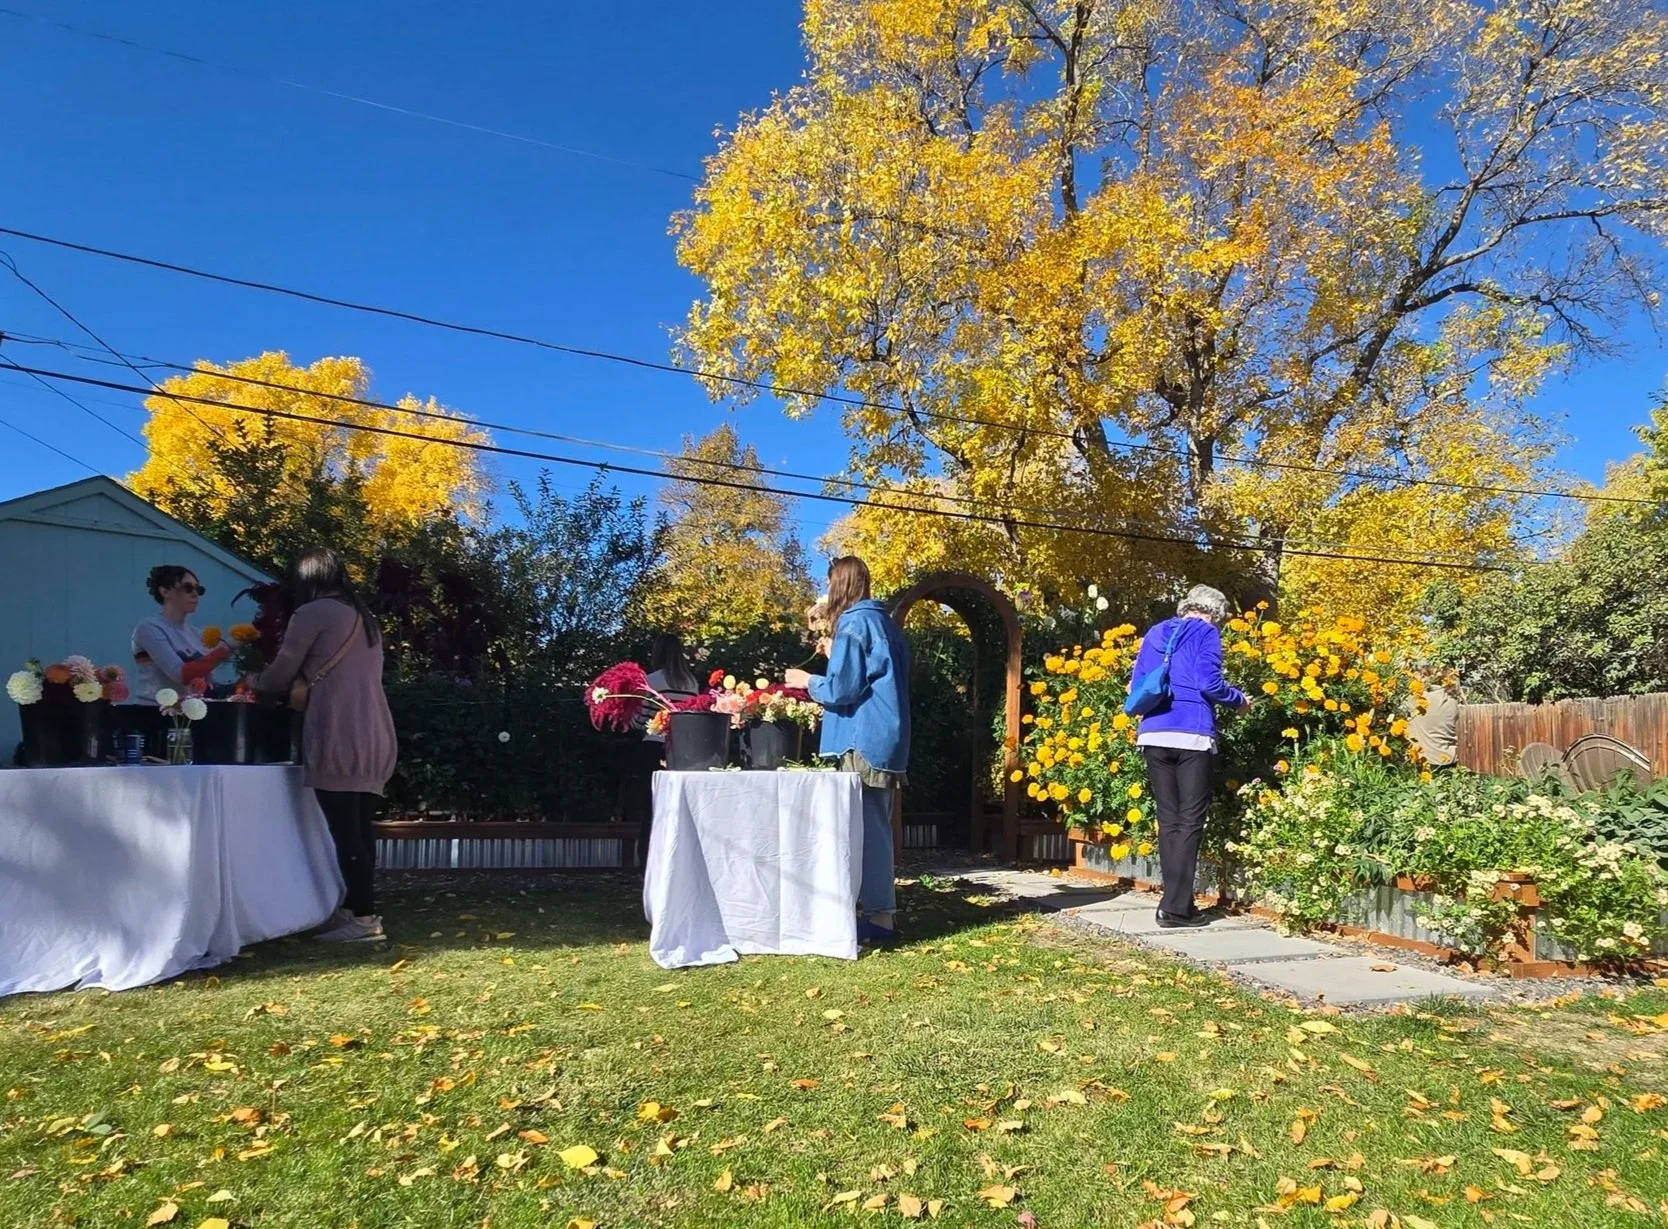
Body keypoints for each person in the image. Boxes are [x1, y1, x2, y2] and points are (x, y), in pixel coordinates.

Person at [254, 547, 396, 943]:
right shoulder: (363, 616)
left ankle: (364, 920)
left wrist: (256, 684)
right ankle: (355, 907)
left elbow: (282, 669)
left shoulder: (312, 613)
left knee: (345, 829)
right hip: (375, 727)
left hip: (338, 726)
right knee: (360, 825)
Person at [785, 557, 911, 945]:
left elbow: (842, 690)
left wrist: (808, 681)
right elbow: (871, 675)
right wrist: (834, 654)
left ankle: (880, 920)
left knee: (867, 828)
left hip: (863, 738)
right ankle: (878, 914)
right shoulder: (884, 622)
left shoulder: (855, 623)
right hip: (885, 736)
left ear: (838, 585)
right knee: (874, 825)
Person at [1128, 584, 1250, 930]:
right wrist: (1239, 700)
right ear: (1215, 613)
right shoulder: (1206, 632)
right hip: (1191, 733)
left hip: (1153, 732)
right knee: (1189, 821)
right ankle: (1176, 908)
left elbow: (1137, 683)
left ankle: (1174, 903)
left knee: (1169, 821)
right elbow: (1208, 683)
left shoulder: (1155, 632)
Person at [626, 634, 701, 861]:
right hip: (684, 750)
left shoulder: (651, 681)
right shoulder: (692, 683)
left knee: (651, 810)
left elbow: (640, 720)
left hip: (654, 746)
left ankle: (647, 863)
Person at [129, 565, 232, 704]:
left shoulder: (197, 634)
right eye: (188, 588)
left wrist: (248, 682)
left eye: (199, 589)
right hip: (155, 712)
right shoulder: (149, 628)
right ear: (165, 591)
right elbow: (181, 674)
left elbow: (209, 686)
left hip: (190, 713)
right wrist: (228, 647)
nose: (195, 594)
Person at [1406, 667, 1462, 768]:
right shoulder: (1453, 702)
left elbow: (1400, 695)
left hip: (1427, 762)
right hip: (1450, 760)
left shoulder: (1421, 700)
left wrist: (1415, 680)